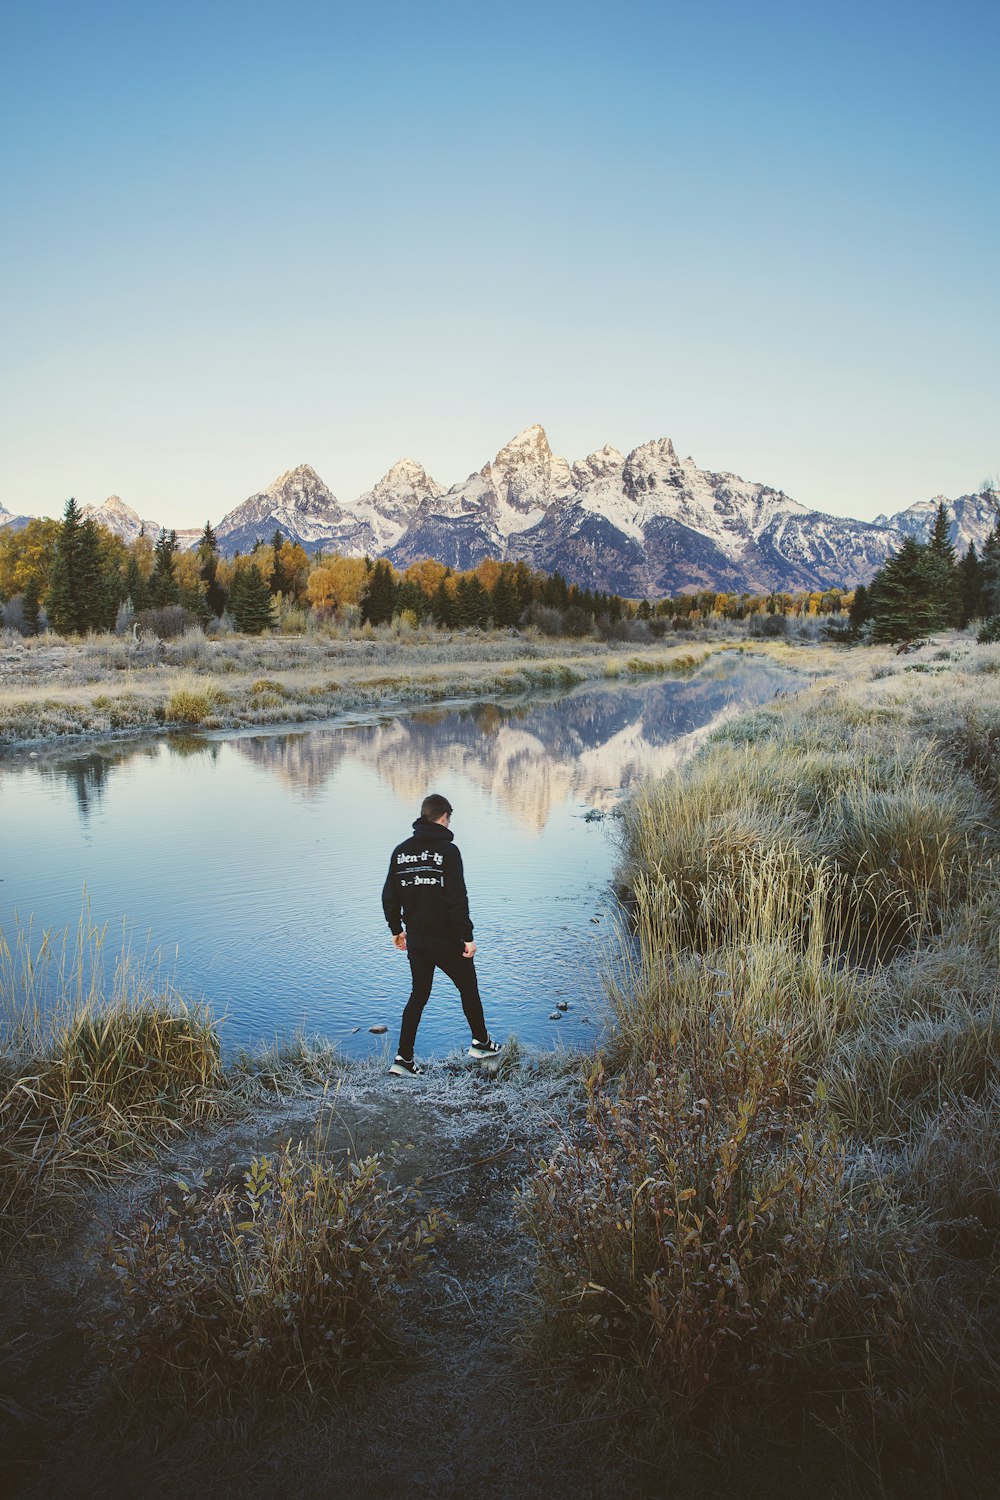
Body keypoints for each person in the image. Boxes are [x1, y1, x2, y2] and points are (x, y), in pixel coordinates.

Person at [381, 792, 502, 1076]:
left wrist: (397, 930)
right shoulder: (449, 852)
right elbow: (456, 898)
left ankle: (403, 1059)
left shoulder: (401, 851)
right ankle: (482, 1043)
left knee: (418, 995)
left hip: (418, 940)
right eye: (449, 818)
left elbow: (389, 896)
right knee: (468, 988)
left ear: (424, 816)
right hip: (446, 939)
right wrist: (468, 936)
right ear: (444, 816)